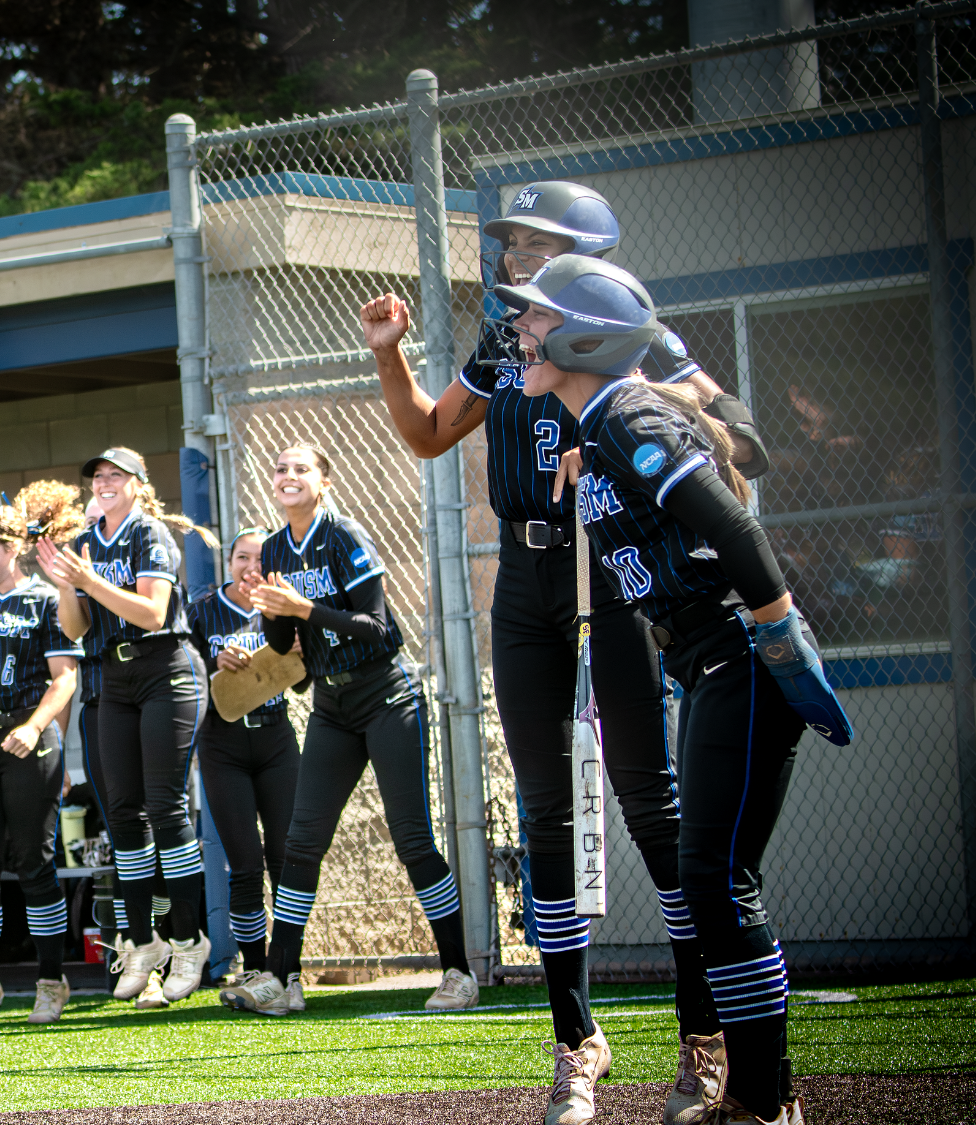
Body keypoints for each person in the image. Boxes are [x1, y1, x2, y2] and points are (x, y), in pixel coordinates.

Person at [363, 181, 770, 1125]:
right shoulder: (506, 340)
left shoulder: (636, 333)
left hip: (612, 570)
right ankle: (575, 1042)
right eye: (509, 243)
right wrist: (390, 359)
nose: (516, 257)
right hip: (523, 584)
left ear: (591, 249)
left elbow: (741, 440)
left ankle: (701, 1034)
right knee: (546, 809)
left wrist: (625, 421)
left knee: (651, 806)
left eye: (537, 242)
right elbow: (427, 433)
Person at [500, 255, 841, 1125]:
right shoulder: (607, 424)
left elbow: (732, 523)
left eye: (538, 320)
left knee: (717, 879)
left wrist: (776, 633)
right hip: (709, 663)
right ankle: (770, 1097)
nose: (522, 333)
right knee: (717, 877)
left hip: (736, 655)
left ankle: (765, 1102)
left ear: (587, 334)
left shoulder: (627, 410)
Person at [215, 445, 476, 1018]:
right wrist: (265, 619)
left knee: (411, 839)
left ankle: (458, 971)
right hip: (331, 705)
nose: (287, 476)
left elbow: (379, 629)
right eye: (280, 468)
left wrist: (302, 608)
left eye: (301, 468)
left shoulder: (344, 533)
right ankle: (282, 980)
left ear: (324, 482)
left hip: (386, 695)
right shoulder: (276, 546)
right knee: (301, 842)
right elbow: (285, 647)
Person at [36, 446, 214, 1008]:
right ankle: (142, 942)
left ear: (138, 485)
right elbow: (76, 629)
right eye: (98, 476)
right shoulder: (86, 540)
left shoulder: (150, 533)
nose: (104, 483)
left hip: (166, 668)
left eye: (116, 475)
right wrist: (68, 585)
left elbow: (152, 613)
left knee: (164, 807)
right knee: (123, 814)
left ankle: (188, 940)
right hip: (112, 675)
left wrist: (88, 579)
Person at [0, 482, 85, 1024]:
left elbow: (66, 678)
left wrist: (35, 727)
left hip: (28, 738)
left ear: (12, 550)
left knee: (33, 861)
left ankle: (53, 980)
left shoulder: (42, 599)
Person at [186, 528, 299, 988]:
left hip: (276, 740)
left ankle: (287, 970)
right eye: (241, 558)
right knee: (246, 862)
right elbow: (184, 671)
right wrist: (213, 663)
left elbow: (307, 662)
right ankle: (255, 968)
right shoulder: (203, 612)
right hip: (223, 744)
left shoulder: (285, 605)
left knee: (286, 858)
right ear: (228, 563)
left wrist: (297, 650)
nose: (250, 568)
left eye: (259, 559)